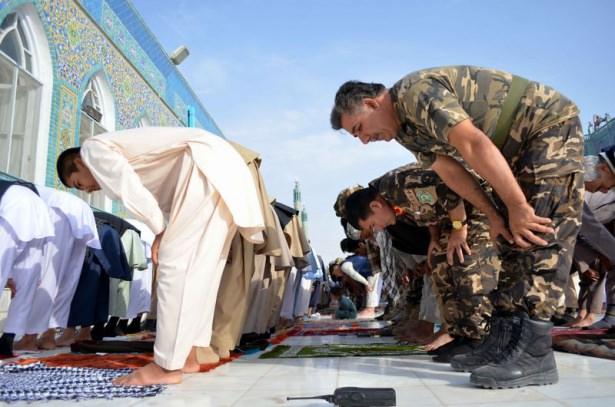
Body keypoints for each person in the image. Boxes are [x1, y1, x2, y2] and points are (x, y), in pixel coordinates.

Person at [332, 65, 584, 388]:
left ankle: (535, 354)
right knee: (509, 240)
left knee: (536, 234)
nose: (365, 140)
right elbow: (451, 172)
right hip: (515, 150)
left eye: (360, 129)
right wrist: (494, 215)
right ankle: (504, 342)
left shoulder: (414, 95)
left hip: (546, 129)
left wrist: (517, 206)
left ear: (371, 103)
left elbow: (473, 144)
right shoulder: (407, 130)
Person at [56, 127, 264, 386]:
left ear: (78, 162)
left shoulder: (92, 149)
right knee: (200, 274)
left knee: (174, 266)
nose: (87, 190)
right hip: (221, 172)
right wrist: (163, 227)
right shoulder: (135, 158)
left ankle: (167, 366)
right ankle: (188, 355)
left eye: (79, 183)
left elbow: (126, 186)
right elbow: (165, 201)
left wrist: (160, 231)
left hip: (203, 168)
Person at [345, 164, 501, 362]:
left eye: (373, 224)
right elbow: (427, 211)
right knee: (439, 264)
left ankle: (479, 336)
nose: (377, 229)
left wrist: (459, 229)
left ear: (375, 206)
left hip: (477, 206)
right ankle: (458, 333)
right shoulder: (392, 200)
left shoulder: (398, 186)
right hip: (453, 217)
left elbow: (447, 186)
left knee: (466, 264)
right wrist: (434, 238)